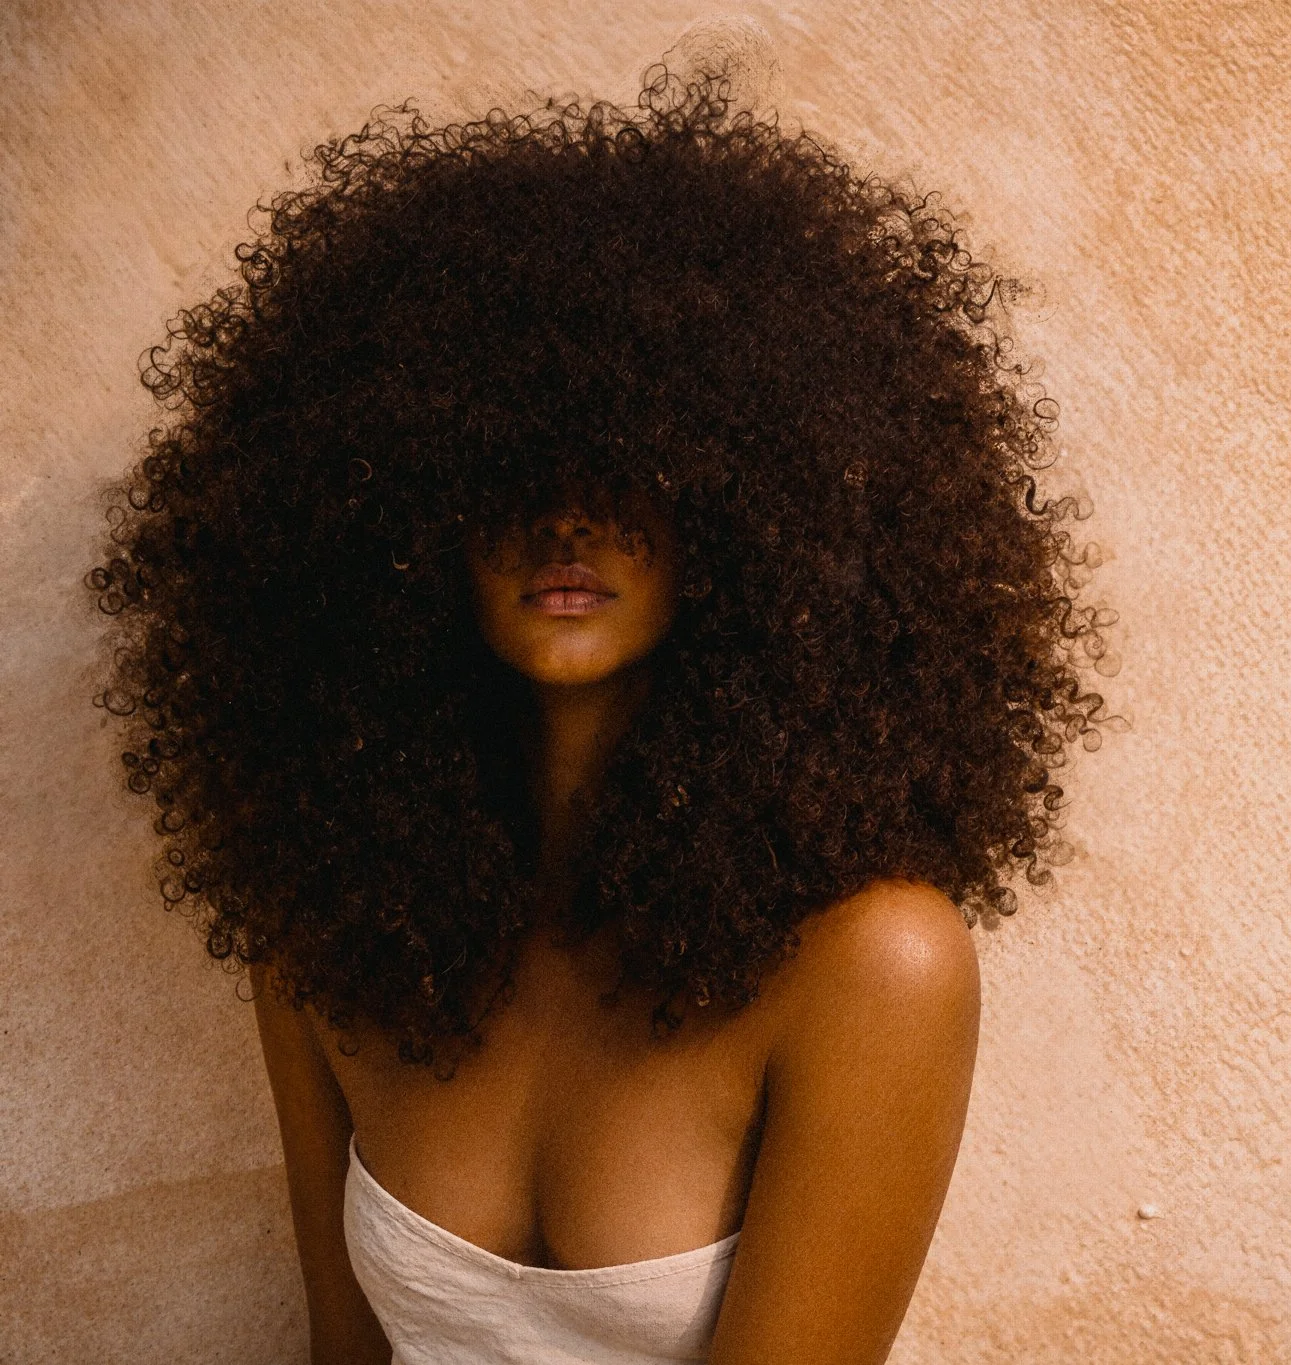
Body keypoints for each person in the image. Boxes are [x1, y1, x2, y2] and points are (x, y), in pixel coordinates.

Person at [86, 60, 1115, 1365]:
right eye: (503, 463)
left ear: (751, 510)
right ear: (395, 511)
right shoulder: (323, 927)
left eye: (632, 466)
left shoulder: (873, 968)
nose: (564, 520)